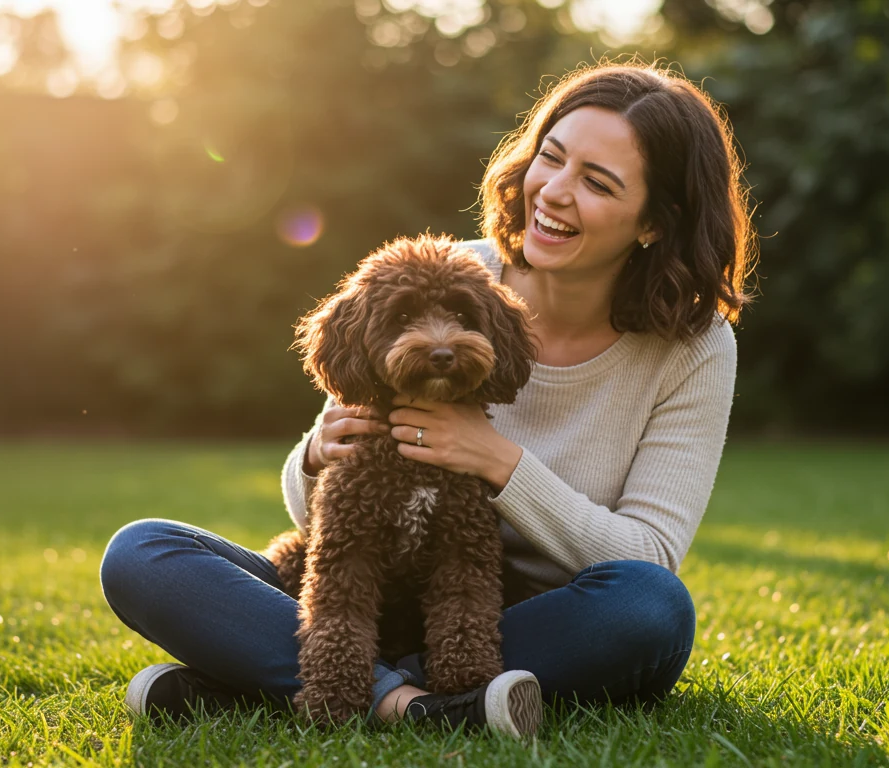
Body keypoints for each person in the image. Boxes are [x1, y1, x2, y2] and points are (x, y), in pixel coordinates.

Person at [100, 60, 755, 738]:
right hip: (364, 592)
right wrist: (318, 455)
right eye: (550, 159)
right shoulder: (452, 273)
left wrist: (499, 463)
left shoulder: (692, 345)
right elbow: (330, 525)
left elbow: (647, 556)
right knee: (142, 554)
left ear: (655, 220)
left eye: (596, 182)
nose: (554, 192)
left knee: (652, 609)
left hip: (536, 615)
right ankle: (419, 706)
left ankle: (264, 682)